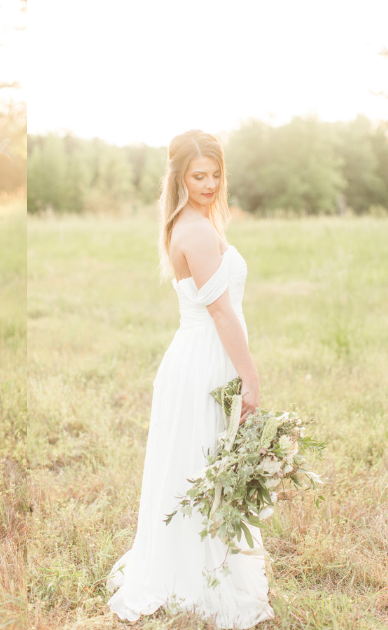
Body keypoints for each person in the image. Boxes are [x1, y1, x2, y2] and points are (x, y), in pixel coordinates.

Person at [107, 130, 273, 628]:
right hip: (206, 358)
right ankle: (195, 575)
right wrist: (250, 375)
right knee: (201, 461)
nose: (209, 183)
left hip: (203, 355)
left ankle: (208, 561)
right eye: (199, 175)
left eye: (216, 174)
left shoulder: (196, 221)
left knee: (204, 460)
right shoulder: (196, 231)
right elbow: (221, 313)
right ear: (179, 176)